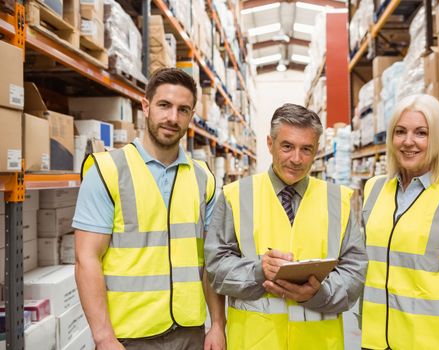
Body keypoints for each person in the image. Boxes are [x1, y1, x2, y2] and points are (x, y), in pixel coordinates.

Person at [73, 68, 226, 350]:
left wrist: (218, 324)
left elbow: (211, 261)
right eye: (164, 105)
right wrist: (103, 336)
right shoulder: (107, 171)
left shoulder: (203, 178)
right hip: (128, 337)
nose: (172, 118)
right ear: (146, 106)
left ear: (191, 116)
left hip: (190, 332)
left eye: (183, 110)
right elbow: (87, 258)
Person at [204, 103, 368, 349]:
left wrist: (317, 294)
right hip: (255, 343)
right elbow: (215, 267)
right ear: (270, 144)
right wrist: (259, 270)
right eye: (287, 146)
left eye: (306, 149)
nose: (296, 159)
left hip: (318, 344)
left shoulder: (338, 200)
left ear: (316, 150)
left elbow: (354, 271)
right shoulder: (235, 196)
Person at [361, 94, 439, 350]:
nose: (408, 142)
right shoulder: (374, 189)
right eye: (400, 132)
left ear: (438, 139)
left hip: (433, 343)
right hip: (376, 342)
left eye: (421, 133)